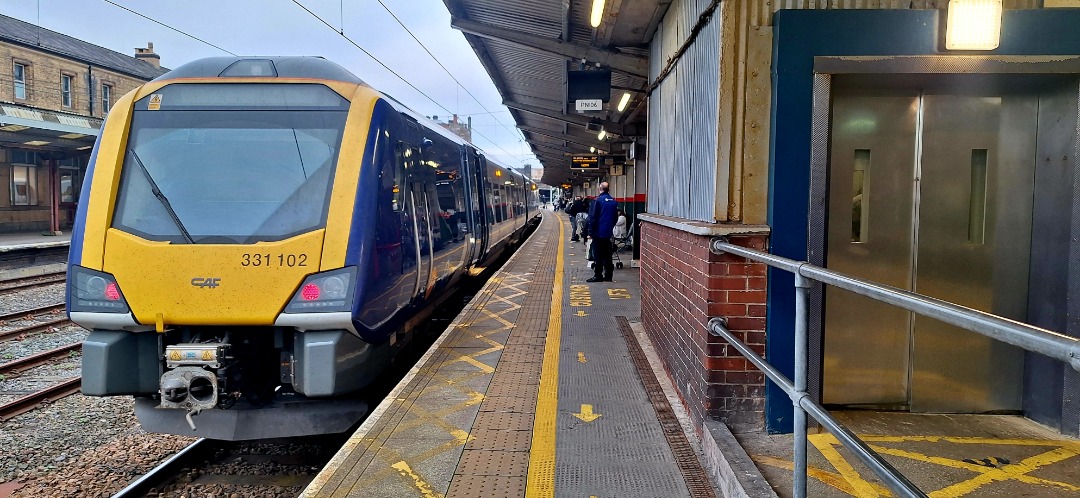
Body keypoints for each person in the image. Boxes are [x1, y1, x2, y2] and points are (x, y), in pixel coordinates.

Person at [586, 182, 618, 283]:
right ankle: (608, 276)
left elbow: (593, 218)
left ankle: (598, 275)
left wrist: (590, 232)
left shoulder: (598, 201)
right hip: (608, 232)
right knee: (608, 255)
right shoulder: (613, 201)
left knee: (598, 255)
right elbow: (615, 218)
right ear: (608, 189)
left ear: (599, 189)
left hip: (598, 232)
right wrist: (610, 227)